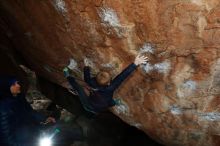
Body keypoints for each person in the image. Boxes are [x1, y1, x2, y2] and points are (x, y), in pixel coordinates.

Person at [0, 76, 84, 146]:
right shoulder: (3, 109)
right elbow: (7, 140)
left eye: (17, 83)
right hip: (24, 140)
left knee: (58, 128)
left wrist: (44, 118)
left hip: (33, 131)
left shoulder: (19, 98)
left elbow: (30, 112)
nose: (18, 85)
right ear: (7, 87)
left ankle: (84, 137)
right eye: (14, 84)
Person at [63, 55, 148, 114]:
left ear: (96, 79)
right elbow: (122, 77)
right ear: (109, 83)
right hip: (97, 106)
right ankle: (115, 103)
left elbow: (82, 81)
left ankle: (66, 73)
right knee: (109, 102)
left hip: (88, 104)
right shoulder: (110, 88)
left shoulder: (91, 82)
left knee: (81, 89)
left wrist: (86, 67)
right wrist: (135, 63)